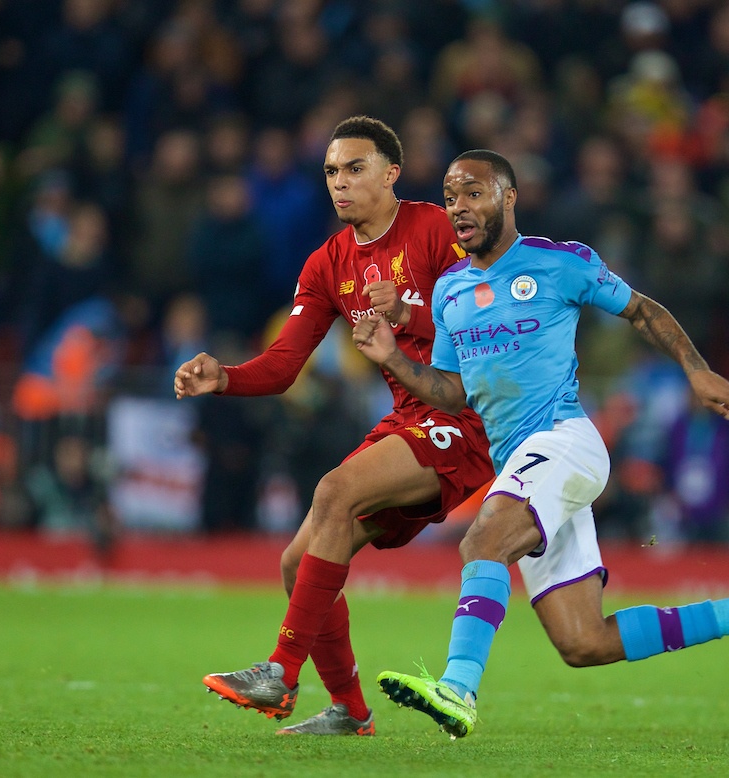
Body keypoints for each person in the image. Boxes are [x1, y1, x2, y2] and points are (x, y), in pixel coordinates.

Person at [351, 150, 729, 739]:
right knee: (583, 641)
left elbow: (640, 310)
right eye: (451, 195)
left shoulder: (560, 263)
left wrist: (697, 370)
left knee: (483, 539)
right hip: (524, 465)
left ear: (509, 198)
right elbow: (452, 392)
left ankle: (457, 688)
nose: (458, 206)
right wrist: (392, 359)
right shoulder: (449, 291)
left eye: (473, 193)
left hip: (565, 441)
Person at [174, 116, 495, 736]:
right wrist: (227, 377)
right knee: (298, 565)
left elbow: (491, 304)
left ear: (391, 173)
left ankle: (279, 672)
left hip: (468, 415)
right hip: (409, 420)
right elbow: (283, 365)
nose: (340, 183)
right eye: (330, 172)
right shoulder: (328, 263)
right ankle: (351, 710)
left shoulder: (435, 228)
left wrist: (410, 309)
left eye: (355, 168)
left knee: (332, 491)